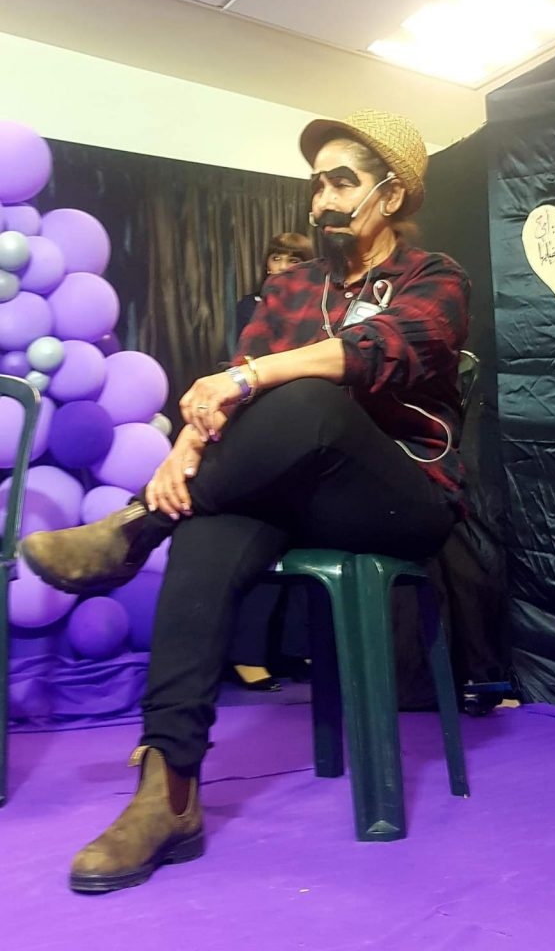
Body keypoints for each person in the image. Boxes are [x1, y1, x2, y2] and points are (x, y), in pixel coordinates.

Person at [20, 108, 471, 894]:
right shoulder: (293, 286)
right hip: (293, 492)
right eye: (316, 185)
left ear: (392, 195)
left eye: (342, 183)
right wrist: (189, 447)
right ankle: (167, 792)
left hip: (399, 497)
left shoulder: (435, 277)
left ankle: (136, 527)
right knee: (210, 522)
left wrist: (250, 377)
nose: (322, 200)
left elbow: (379, 352)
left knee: (309, 399)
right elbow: (233, 397)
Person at [229, 231, 315, 693]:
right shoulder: (254, 305)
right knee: (263, 541)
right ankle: (246, 654)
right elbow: (253, 363)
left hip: (310, 425)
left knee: (305, 543)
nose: (281, 266)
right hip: (264, 424)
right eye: (276, 258)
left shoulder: (322, 305)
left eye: (292, 259)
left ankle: (296, 648)